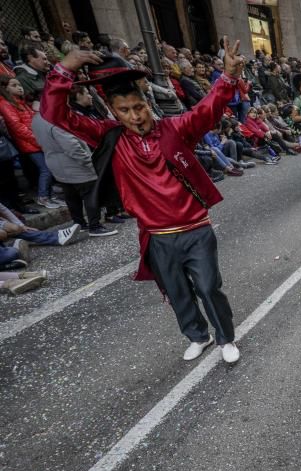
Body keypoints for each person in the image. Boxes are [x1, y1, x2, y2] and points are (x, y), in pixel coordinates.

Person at [41, 41, 247, 364]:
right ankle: (197, 335)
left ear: (147, 103)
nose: (135, 116)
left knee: (208, 287)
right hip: (156, 236)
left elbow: (206, 111)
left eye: (139, 107)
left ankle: (226, 338)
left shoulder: (174, 129)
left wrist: (228, 79)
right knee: (178, 293)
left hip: (195, 229)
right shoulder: (110, 137)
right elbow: (54, 114)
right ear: (113, 111)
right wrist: (63, 69)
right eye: (124, 111)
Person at [32, 101, 119, 236]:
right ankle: (95, 226)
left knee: (71, 195)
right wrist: (89, 161)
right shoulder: (55, 120)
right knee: (90, 193)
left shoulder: (36, 119)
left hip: (54, 162)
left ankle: (79, 223)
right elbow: (72, 146)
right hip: (73, 164)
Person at [0, 75, 62, 209]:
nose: (20, 88)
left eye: (19, 85)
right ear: (5, 88)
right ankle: (43, 197)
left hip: (35, 140)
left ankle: (49, 196)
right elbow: (18, 128)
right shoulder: (6, 104)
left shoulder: (20, 103)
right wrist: (39, 140)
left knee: (48, 168)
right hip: (29, 143)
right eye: (14, 85)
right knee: (45, 169)